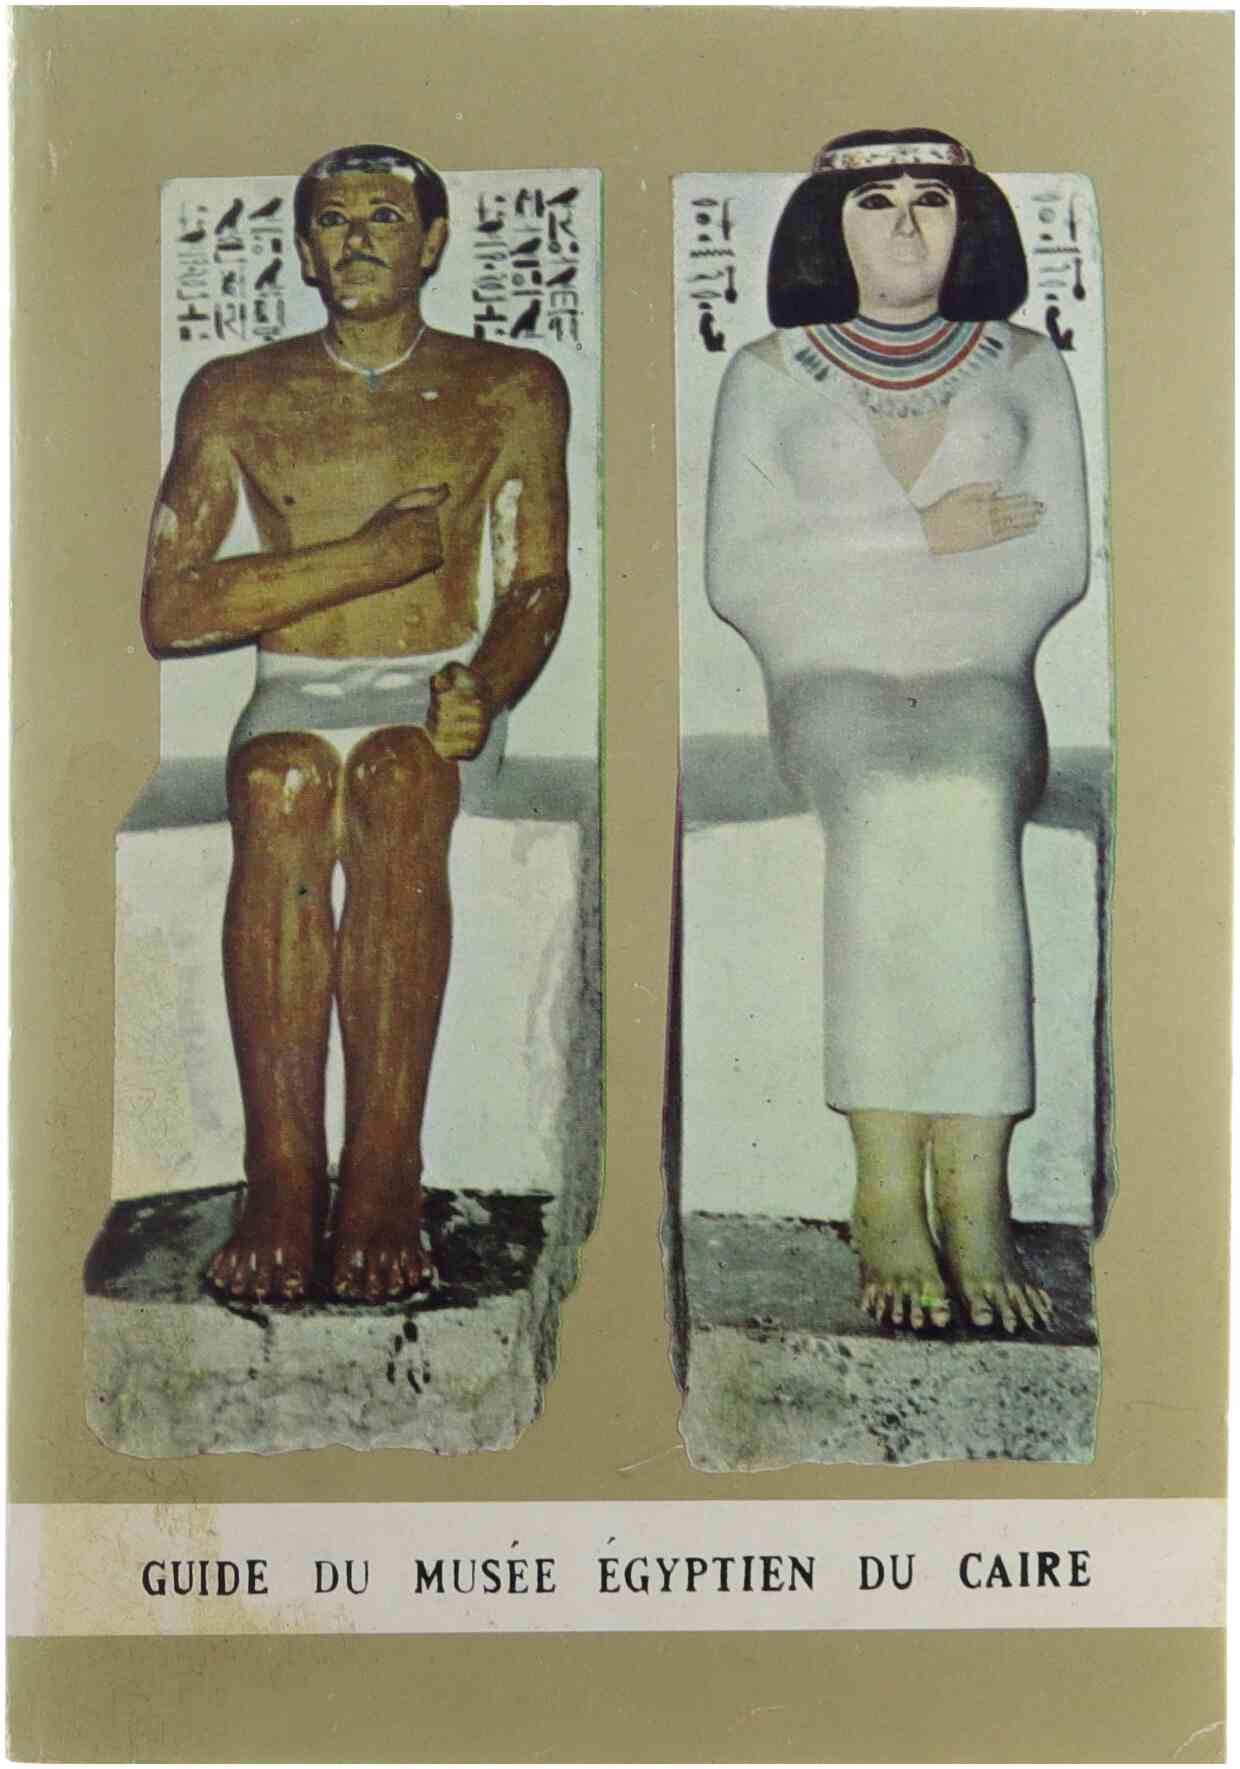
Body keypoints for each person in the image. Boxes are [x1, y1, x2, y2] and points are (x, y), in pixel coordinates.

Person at [141, 144, 570, 1305]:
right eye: (334, 221)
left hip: (433, 679)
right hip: (299, 679)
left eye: (386, 216)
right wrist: (367, 558)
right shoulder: (237, 390)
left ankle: (383, 1168)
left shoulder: (510, 384)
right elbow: (172, 611)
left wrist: (489, 682)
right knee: (278, 785)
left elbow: (536, 580)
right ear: (302, 248)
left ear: (433, 241)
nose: (360, 239)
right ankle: (282, 1175)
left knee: (396, 780)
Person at [704, 128, 1089, 1332]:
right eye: (876, 202)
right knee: (881, 793)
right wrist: (919, 537)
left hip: (981, 668)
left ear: (972, 220)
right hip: (827, 674)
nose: (909, 225)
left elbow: (1056, 560)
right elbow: (740, 573)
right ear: (829, 229)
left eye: (933, 199)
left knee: (964, 788)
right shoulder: (768, 371)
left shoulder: (1024, 363)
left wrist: (920, 583)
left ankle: (974, 1193)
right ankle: (884, 1188)